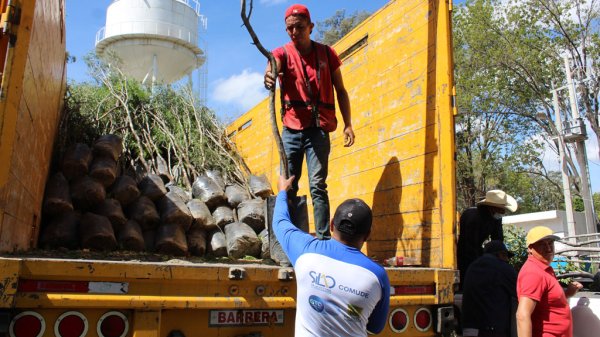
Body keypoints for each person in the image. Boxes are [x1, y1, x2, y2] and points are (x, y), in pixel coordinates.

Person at [264, 4, 355, 239]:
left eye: (299, 27)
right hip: (291, 130)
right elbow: (273, 66)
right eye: (289, 29)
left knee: (318, 186)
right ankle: (287, 238)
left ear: (311, 27)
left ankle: (323, 239)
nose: (294, 32)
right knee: (288, 186)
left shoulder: (327, 54)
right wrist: (270, 75)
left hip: (318, 130)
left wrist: (348, 124)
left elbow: (341, 91)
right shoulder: (281, 53)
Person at [273, 175, 390, 336]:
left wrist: (282, 192)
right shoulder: (377, 276)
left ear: (332, 224)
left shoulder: (305, 252)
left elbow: (280, 221)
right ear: (367, 235)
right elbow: (375, 328)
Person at [516, 226, 583, 337]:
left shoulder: (543, 269)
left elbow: (546, 300)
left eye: (550, 243)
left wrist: (568, 293)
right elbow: (522, 315)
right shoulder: (533, 273)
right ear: (530, 248)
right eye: (542, 244)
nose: (548, 248)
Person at [457, 190, 518, 287]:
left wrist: (501, 259)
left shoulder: (496, 218)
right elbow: (470, 248)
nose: (504, 211)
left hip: (477, 251)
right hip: (464, 256)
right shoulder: (473, 218)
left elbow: (498, 240)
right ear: (493, 207)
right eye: (502, 208)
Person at [461, 240, 517, 337]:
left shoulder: (472, 267)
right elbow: (521, 292)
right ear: (501, 254)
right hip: (492, 330)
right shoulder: (503, 268)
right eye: (506, 256)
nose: (508, 260)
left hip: (469, 328)